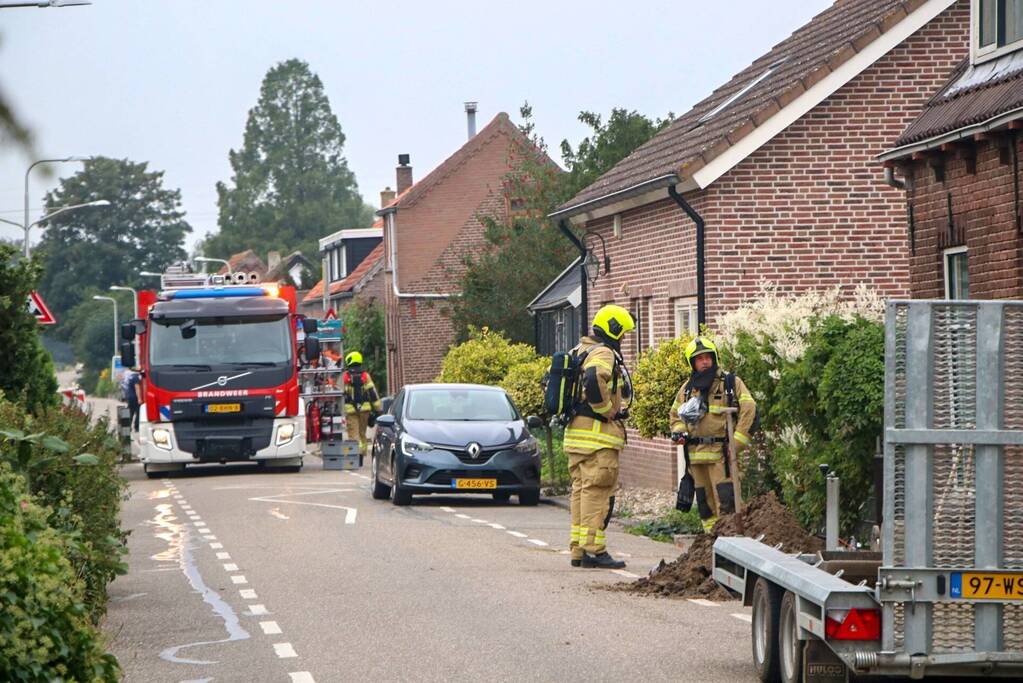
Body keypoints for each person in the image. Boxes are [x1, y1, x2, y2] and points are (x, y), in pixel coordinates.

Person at [565, 305, 635, 570]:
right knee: (597, 493)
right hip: (598, 438)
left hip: (576, 437)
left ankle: (578, 549)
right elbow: (594, 379)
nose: (624, 339)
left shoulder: (579, 350)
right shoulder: (603, 352)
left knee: (581, 492)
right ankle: (595, 550)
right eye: (623, 334)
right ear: (614, 329)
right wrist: (608, 411)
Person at [669, 337, 756, 532]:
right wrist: (679, 432)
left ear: (715, 358)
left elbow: (750, 410)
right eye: (699, 359)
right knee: (705, 506)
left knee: (727, 502)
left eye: (708, 357)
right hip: (696, 458)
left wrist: (736, 444)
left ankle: (731, 543)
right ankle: (710, 543)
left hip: (722, 457)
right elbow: (675, 416)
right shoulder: (687, 390)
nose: (705, 361)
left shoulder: (730, 384)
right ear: (692, 363)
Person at [342, 351, 382, 457]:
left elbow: (339, 393)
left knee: (353, 434)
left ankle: (355, 456)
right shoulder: (365, 376)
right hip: (365, 409)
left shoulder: (345, 376)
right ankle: (362, 453)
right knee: (362, 433)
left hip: (351, 410)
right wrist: (378, 409)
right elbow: (373, 393)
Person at [124, 367, 143, 432]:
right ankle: (136, 427)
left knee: (130, 412)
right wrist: (139, 399)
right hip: (134, 397)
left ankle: (128, 427)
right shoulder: (136, 377)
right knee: (138, 412)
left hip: (129, 397)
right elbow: (137, 388)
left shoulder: (131, 377)